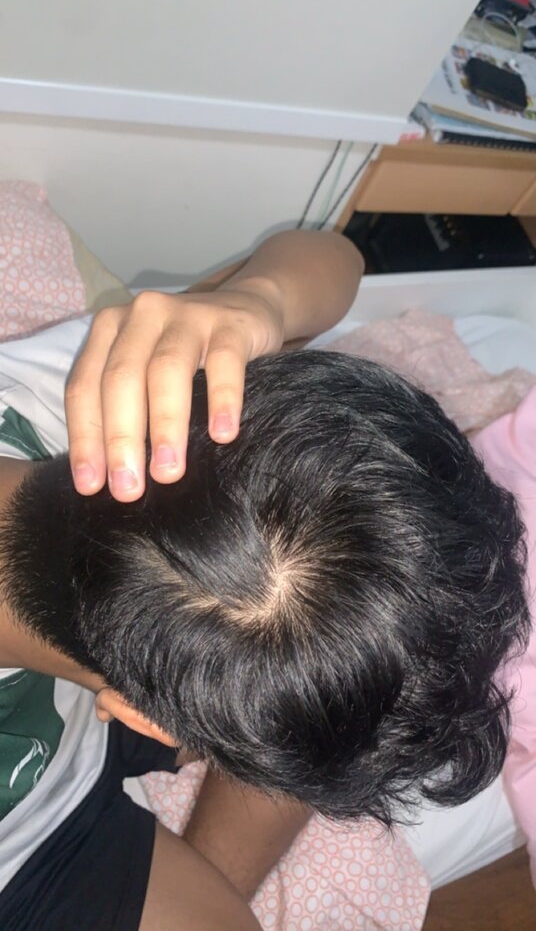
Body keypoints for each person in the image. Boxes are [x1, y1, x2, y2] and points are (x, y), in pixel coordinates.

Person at [0, 231, 529, 929]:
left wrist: (260, 299)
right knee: (334, 719)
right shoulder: (17, 838)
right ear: (146, 717)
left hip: (109, 671)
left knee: (346, 687)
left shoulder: (95, 381)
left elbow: (337, 257)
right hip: (42, 820)